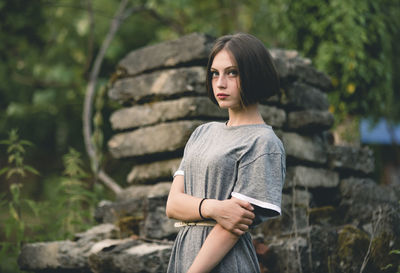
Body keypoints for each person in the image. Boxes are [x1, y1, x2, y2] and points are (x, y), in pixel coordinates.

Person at [166, 33, 286, 273]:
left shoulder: (263, 142)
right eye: (215, 73)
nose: (220, 83)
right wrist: (214, 208)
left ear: (255, 74)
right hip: (183, 253)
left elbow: (232, 225)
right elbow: (172, 205)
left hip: (225, 262)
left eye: (232, 72)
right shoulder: (202, 133)